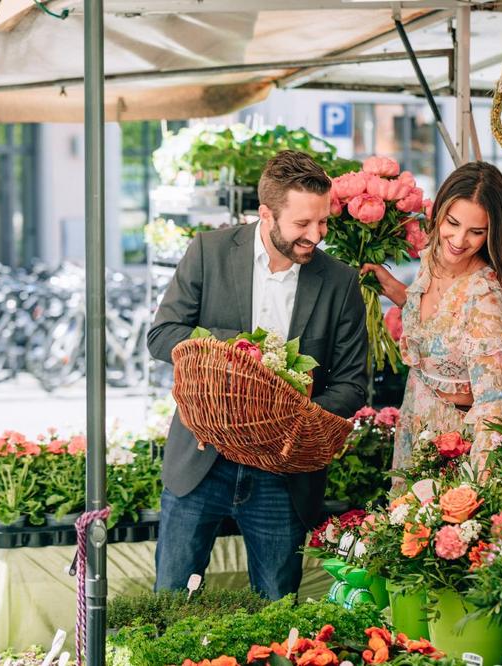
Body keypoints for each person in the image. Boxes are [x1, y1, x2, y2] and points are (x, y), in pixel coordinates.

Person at [147, 151, 368, 598]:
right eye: (302, 224)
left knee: (277, 607)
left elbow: (353, 384)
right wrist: (241, 349)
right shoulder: (208, 251)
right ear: (265, 214)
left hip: (283, 475)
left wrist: (295, 421)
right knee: (170, 598)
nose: (316, 235)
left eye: (322, 222)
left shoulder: (341, 281)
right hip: (201, 459)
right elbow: (162, 335)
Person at [362, 162, 502, 475]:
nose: (458, 240)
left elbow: (494, 402)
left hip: (454, 447)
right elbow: (438, 323)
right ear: (440, 212)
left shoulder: (485, 299)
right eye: (452, 223)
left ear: (491, 233)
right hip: (415, 421)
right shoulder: (433, 258)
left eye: (476, 232)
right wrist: (395, 290)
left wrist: (479, 482)